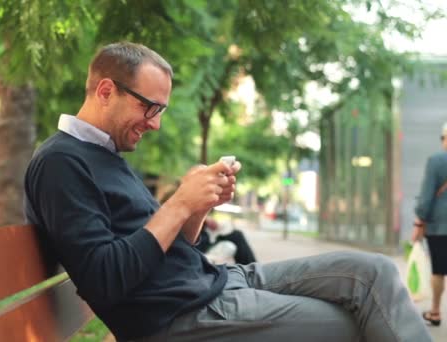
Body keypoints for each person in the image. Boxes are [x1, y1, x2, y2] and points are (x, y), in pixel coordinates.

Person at [24, 42, 430, 341]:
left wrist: (197, 206)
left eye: (160, 111)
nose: (155, 124)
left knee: (373, 273)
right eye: (150, 107)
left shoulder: (104, 153)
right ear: (107, 91)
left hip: (215, 283)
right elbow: (105, 279)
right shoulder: (62, 163)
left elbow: (161, 247)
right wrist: (180, 201)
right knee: (357, 324)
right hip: (183, 315)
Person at [412, 122, 447, 327]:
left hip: (440, 226)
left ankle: (435, 311)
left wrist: (419, 219)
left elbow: (426, 197)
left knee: (439, 270)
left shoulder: (436, 161)